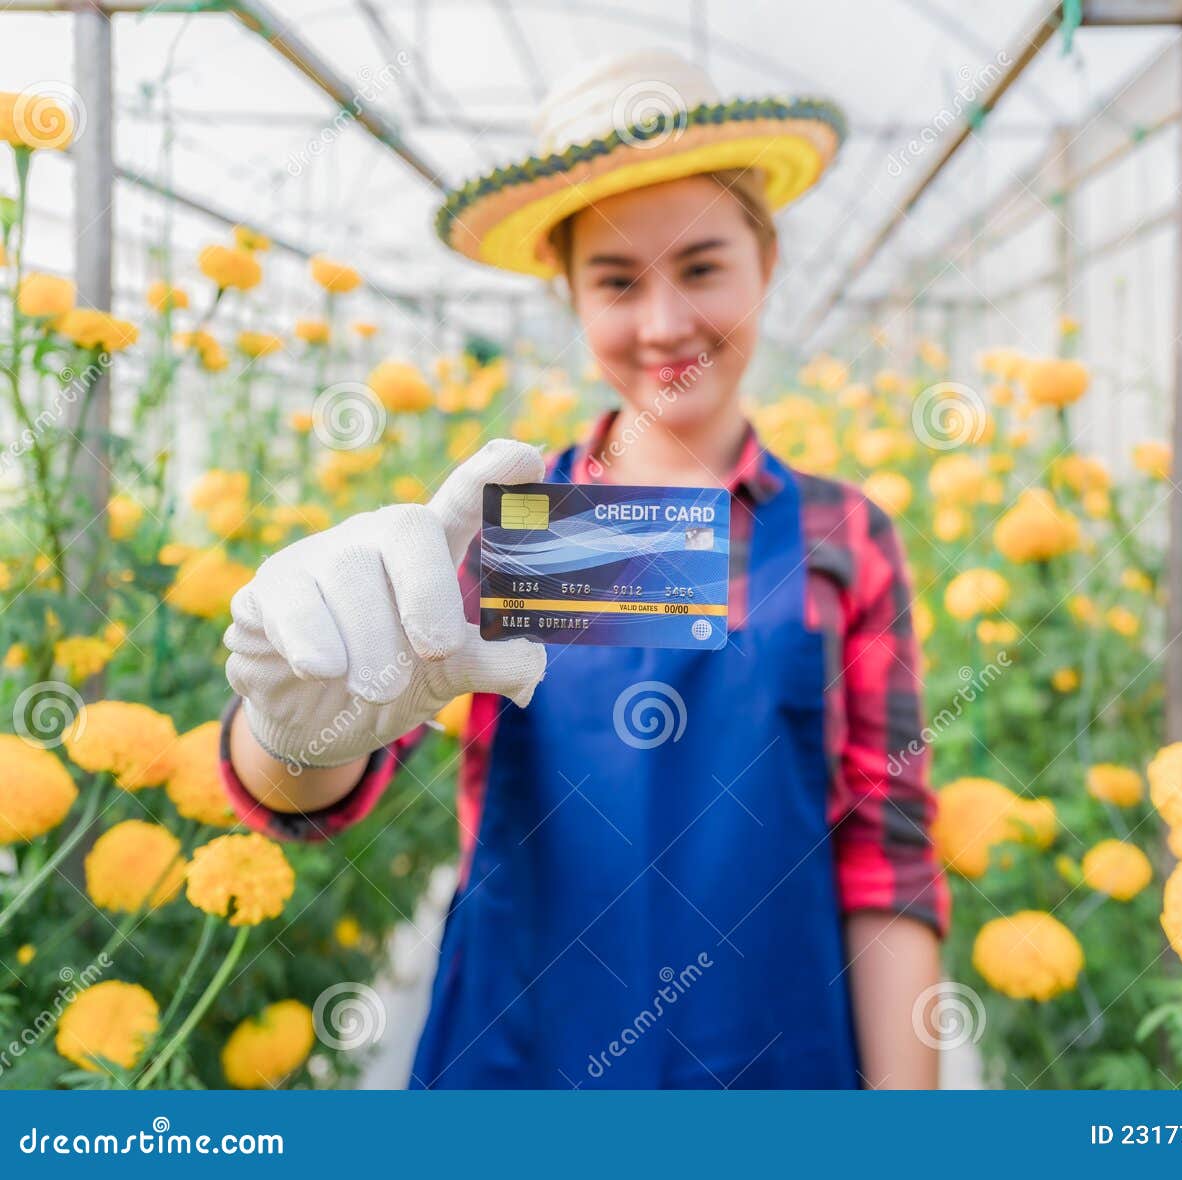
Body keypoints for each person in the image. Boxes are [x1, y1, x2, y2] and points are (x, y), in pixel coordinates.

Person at [218, 48, 948, 1090]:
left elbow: (887, 854)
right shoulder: (520, 527)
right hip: (525, 1064)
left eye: (701, 266)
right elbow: (325, 787)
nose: (664, 325)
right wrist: (295, 722)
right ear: (567, 291)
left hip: (776, 1065)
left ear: (767, 262)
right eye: (614, 280)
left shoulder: (841, 533)